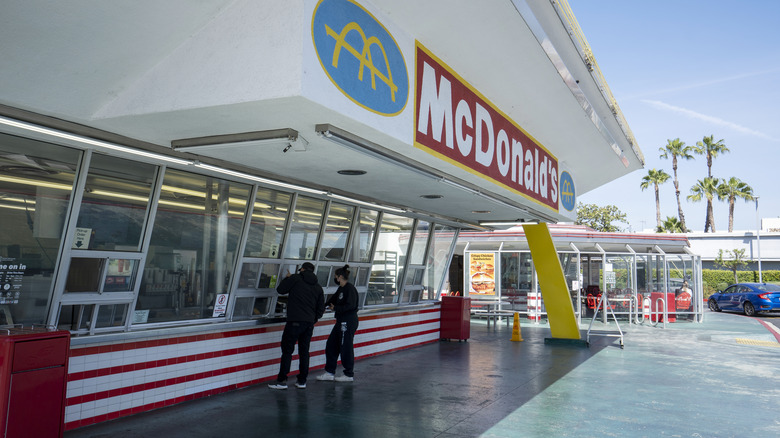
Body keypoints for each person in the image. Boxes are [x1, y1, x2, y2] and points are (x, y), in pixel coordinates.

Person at [268, 262, 325, 390]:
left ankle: (282, 380)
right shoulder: (318, 286)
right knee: (304, 352)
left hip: (294, 322)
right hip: (309, 324)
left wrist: (287, 278)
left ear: (302, 269)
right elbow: (321, 308)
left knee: (287, 350)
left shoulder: (295, 279)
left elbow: (280, 290)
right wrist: (313, 319)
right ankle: (302, 381)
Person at [316, 264, 359, 382]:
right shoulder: (341, 288)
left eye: (335, 277)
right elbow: (332, 300)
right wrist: (322, 306)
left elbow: (351, 306)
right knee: (331, 345)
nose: (335, 279)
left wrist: (336, 308)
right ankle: (329, 372)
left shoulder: (350, 289)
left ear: (339, 277)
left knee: (346, 347)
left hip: (348, 321)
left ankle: (348, 374)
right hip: (340, 321)